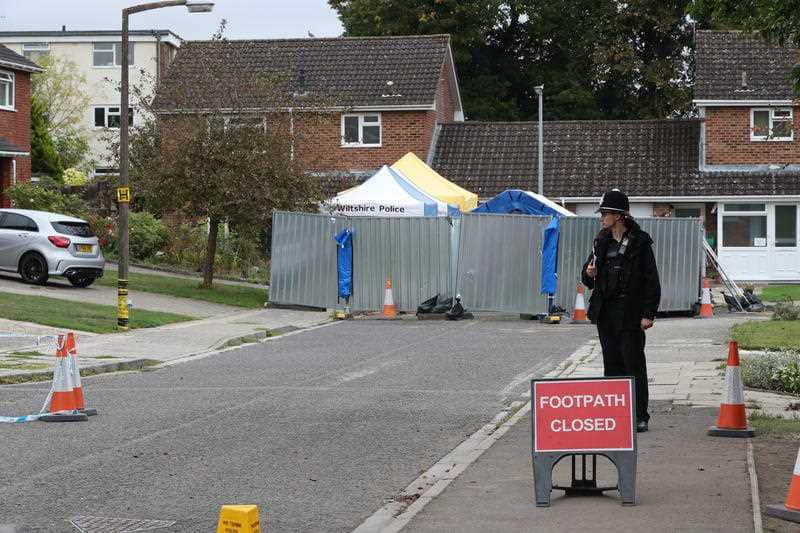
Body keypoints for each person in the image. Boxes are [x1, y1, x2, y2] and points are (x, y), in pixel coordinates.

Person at [581, 189, 661, 433]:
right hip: (606, 312)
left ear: (618, 215)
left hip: (630, 312)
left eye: (604, 213)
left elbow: (651, 280)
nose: (601, 217)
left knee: (633, 363)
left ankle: (639, 415)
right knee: (611, 364)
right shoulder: (601, 241)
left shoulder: (640, 242)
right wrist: (588, 273)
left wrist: (648, 313)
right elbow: (587, 276)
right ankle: (617, 414)